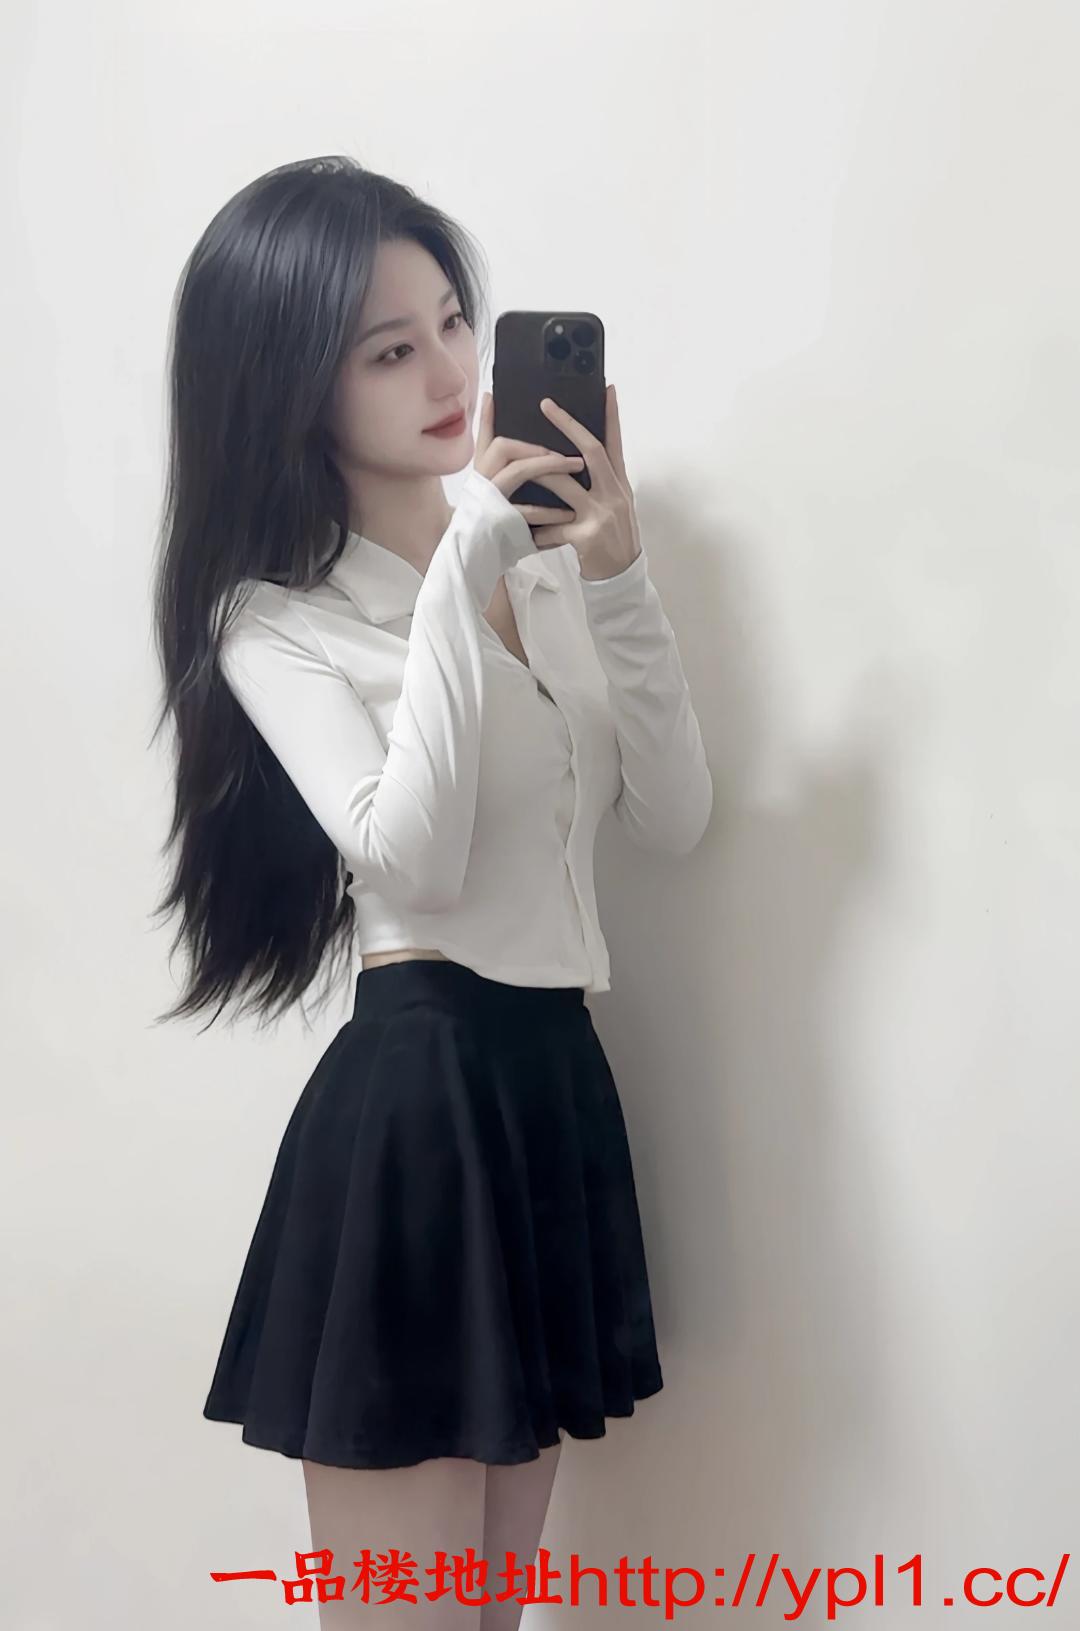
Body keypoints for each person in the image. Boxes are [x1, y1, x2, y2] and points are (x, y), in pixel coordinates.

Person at [150, 155, 713, 1627]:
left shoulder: (541, 578)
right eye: (390, 351)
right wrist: (470, 564)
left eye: (456, 324)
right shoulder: (275, 621)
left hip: (550, 1090)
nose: (453, 373)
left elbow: (676, 814)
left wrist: (617, 581)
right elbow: (407, 856)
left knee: (492, 1614)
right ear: (294, 387)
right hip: (420, 1104)